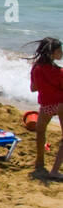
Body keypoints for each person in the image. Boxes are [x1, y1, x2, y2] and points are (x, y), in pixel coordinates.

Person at [29, 37, 63, 181]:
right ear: (51, 53)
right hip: (61, 103)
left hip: (46, 105)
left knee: (40, 131)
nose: (61, 53)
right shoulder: (60, 71)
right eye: (59, 51)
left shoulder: (36, 68)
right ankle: (54, 170)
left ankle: (40, 161)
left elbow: (33, 88)